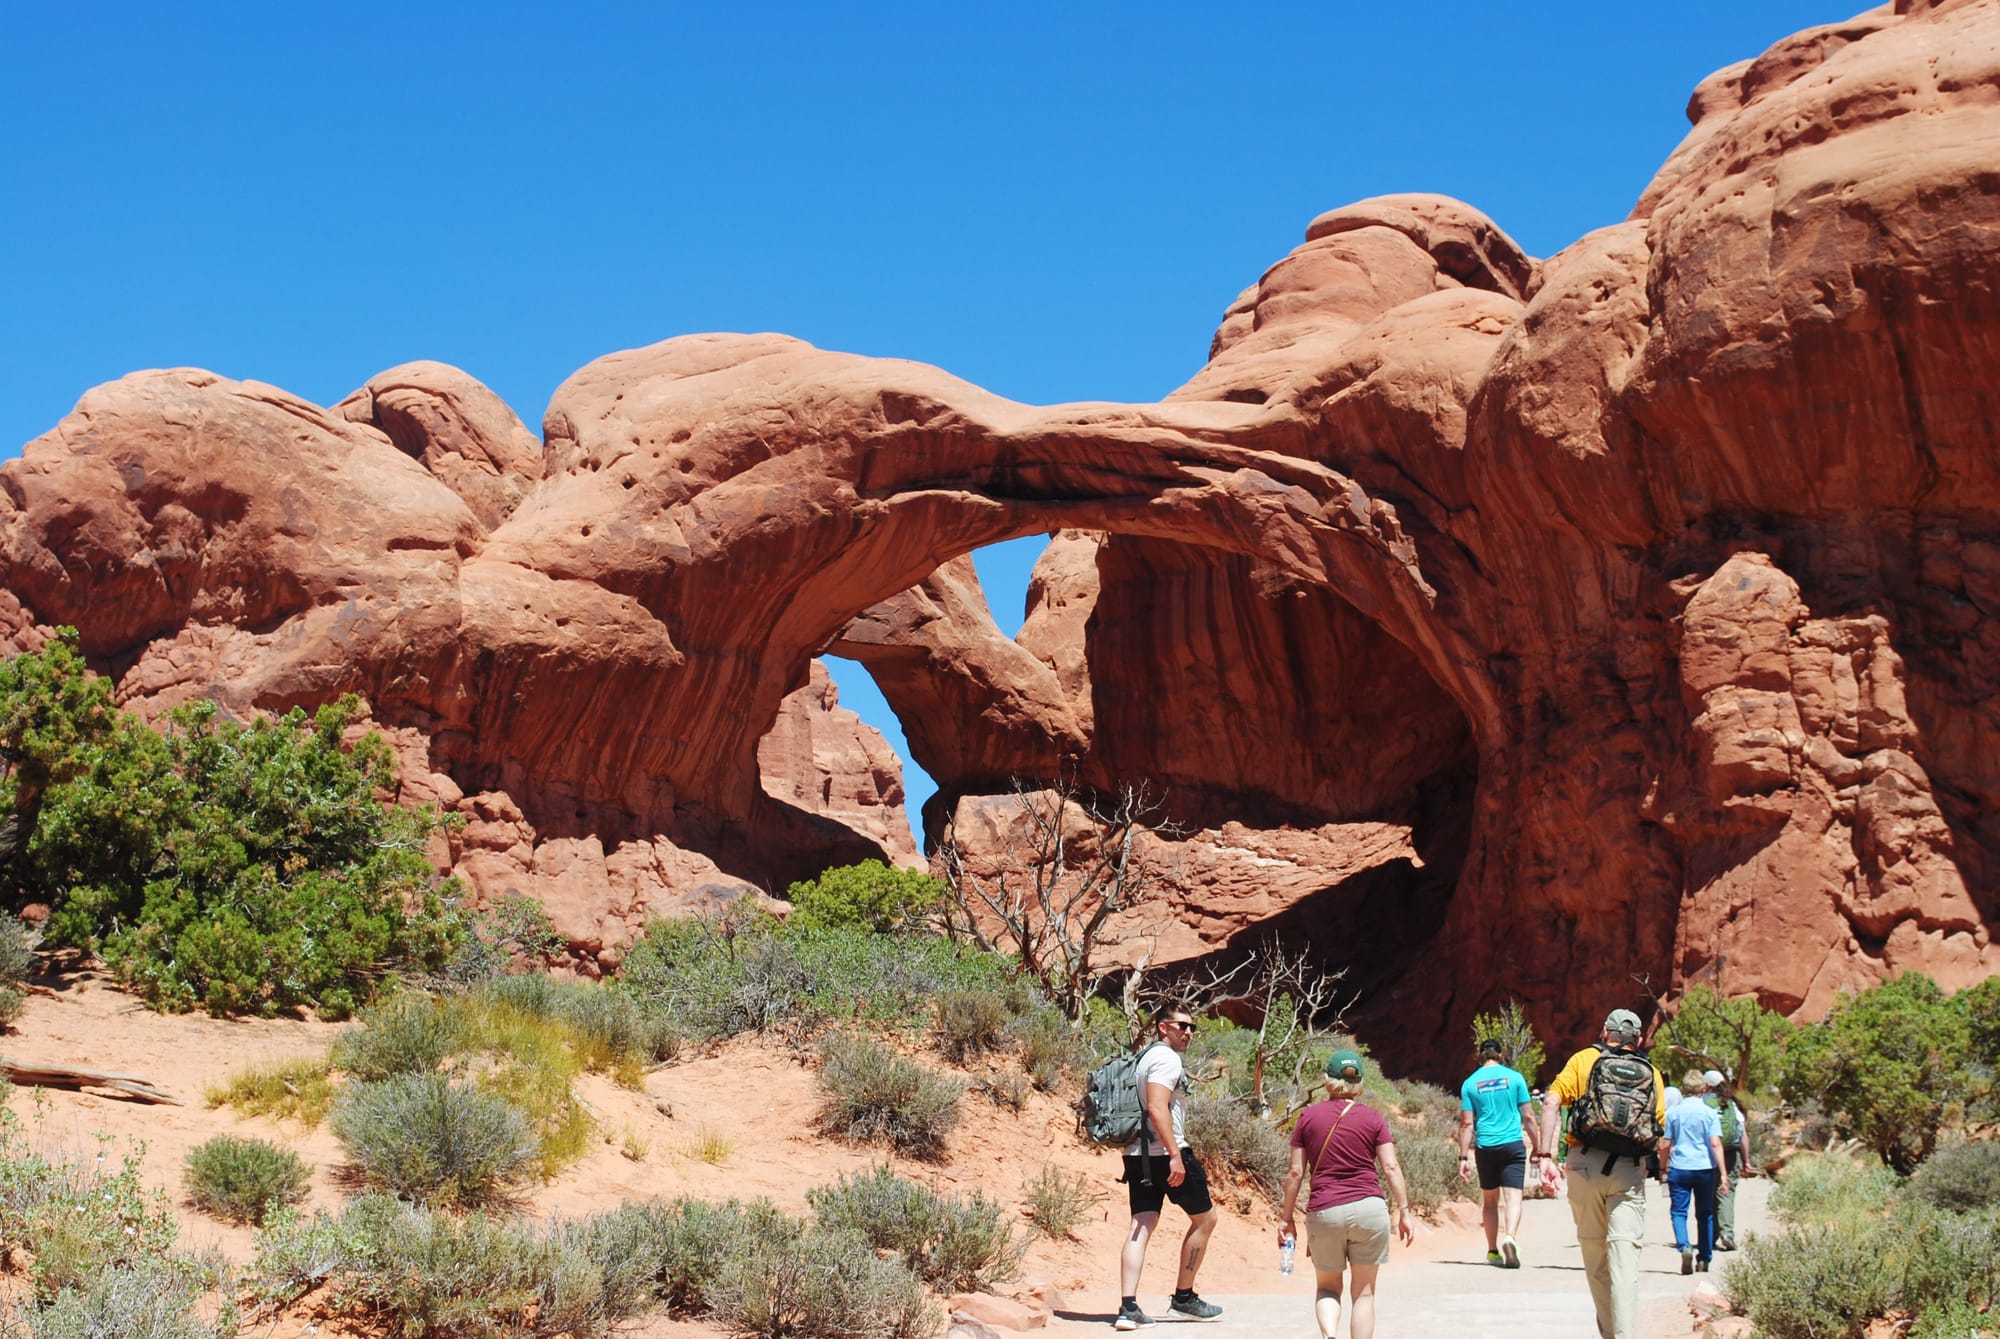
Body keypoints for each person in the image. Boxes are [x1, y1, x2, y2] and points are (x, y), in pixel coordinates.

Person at [1533, 1008, 1667, 1339]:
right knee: (1625, 1263)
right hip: (1628, 1172)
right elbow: (1659, 1130)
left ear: (1605, 1032)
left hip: (1584, 1166)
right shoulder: (1651, 1072)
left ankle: (1609, 1333)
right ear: (1638, 1040)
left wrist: (1545, 1155)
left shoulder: (1583, 1060)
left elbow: (1550, 1103)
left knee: (1596, 1260)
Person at [1278, 1048, 1415, 1339]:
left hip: (1325, 1210)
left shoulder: (1308, 1117)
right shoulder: (1374, 1118)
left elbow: (1295, 1173)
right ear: (1360, 1081)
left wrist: (1286, 1218)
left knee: (1328, 1288)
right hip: (1369, 1209)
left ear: (1328, 1079)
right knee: (1364, 1294)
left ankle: (1330, 1335)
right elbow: (1390, 1167)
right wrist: (1404, 1211)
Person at [1115, 1007, 1222, 1329]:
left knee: (1142, 1223)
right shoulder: (1166, 1058)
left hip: (1137, 1154)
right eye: (1182, 1026)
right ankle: (1184, 1298)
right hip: (1164, 1153)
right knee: (1206, 1219)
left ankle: (1128, 1307)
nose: (1189, 1032)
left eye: (1193, 1027)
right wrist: (1175, 1154)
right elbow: (1156, 1106)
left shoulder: (1144, 1057)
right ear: (1164, 1027)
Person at [1457, 1037, 1533, 1266]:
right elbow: (1528, 1116)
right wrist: (1539, 1147)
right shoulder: (1515, 1077)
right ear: (1501, 1055)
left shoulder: (1470, 1083)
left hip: (1486, 1147)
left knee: (1490, 1201)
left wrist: (1463, 1157)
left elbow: (1466, 1124)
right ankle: (1510, 1236)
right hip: (1512, 1144)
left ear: (1479, 1056)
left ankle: (1492, 1250)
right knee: (1513, 1197)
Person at [1660, 1070, 1729, 1272]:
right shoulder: (1709, 1113)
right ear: (1703, 1089)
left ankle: (1684, 1246)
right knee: (1705, 1213)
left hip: (1680, 1167)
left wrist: (1663, 1168)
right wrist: (1723, 1173)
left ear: (1684, 1088)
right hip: (1704, 1168)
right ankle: (1704, 1258)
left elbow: (1665, 1144)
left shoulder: (1674, 1113)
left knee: (1678, 1212)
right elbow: (1715, 1144)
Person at [1700, 1068, 1752, 1250]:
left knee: (1709, 1194)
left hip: (1709, 1153)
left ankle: (1711, 1235)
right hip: (1731, 1152)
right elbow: (1742, 1134)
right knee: (1726, 1193)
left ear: (1707, 1085)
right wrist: (1746, 1160)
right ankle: (1727, 1233)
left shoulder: (1702, 1102)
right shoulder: (1732, 1104)